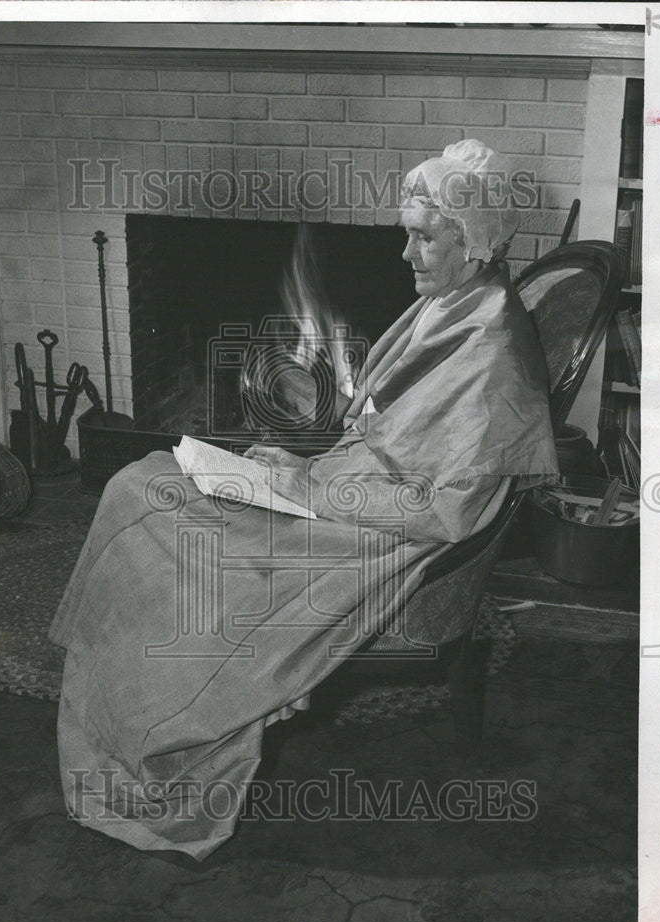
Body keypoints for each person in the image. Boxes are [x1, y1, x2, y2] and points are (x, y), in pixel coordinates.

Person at [51, 140, 559, 860]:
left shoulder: (493, 350)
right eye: (405, 232)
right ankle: (125, 697)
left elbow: (448, 510)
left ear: (472, 241)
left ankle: (154, 728)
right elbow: (391, 438)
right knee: (144, 481)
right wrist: (301, 470)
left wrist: (308, 485)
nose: (405, 254)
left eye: (422, 235)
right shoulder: (457, 304)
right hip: (348, 497)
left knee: (152, 504)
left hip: (378, 540)